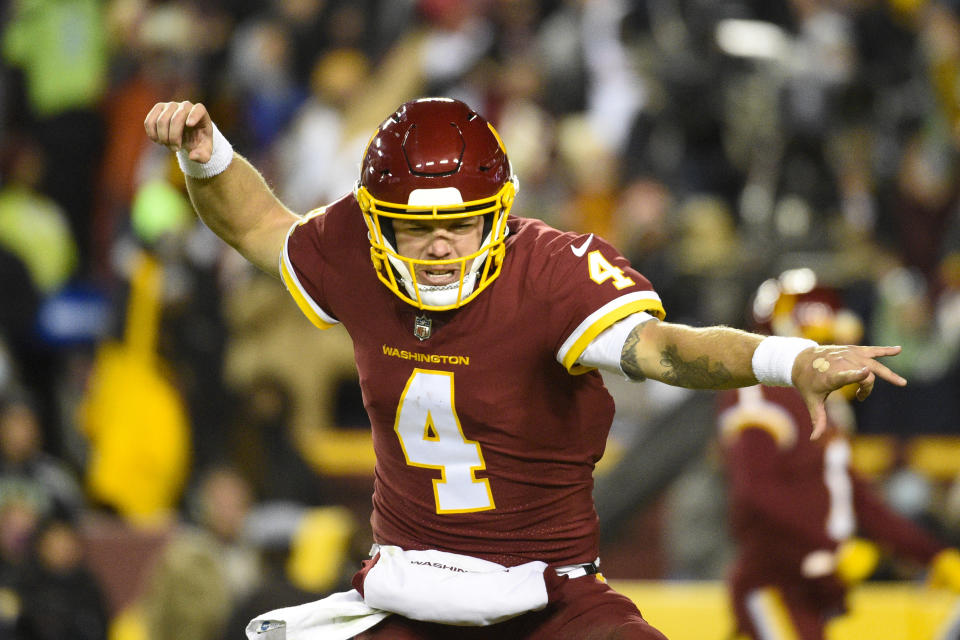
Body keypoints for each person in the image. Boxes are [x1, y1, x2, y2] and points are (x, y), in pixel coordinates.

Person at [144, 97, 907, 640]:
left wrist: (787, 357)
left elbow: (669, 348)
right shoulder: (351, 249)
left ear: (499, 214)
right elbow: (258, 227)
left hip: (549, 602)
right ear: (376, 222)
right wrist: (206, 156)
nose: (441, 247)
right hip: (410, 596)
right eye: (417, 230)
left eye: (461, 225)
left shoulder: (551, 274)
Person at [716, 269, 960, 640]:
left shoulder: (825, 411)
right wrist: (830, 546)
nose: (841, 364)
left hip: (811, 588)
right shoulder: (760, 396)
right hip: (776, 585)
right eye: (827, 345)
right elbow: (755, 493)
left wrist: (931, 554)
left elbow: (856, 498)